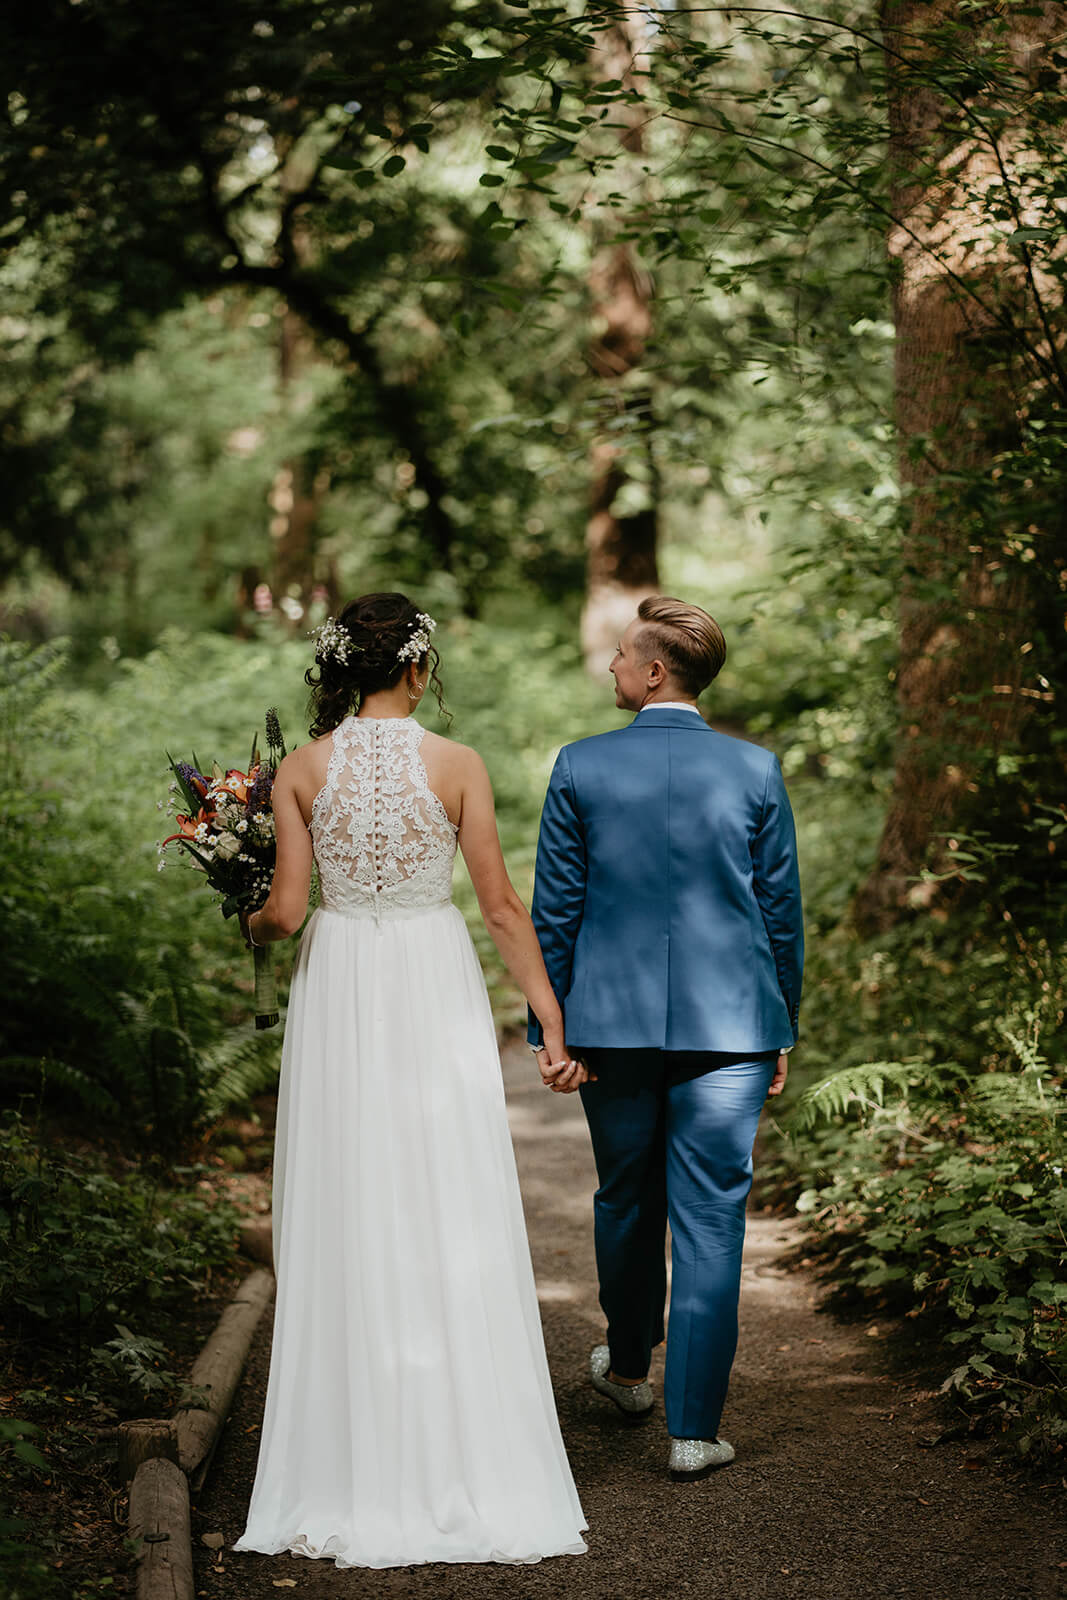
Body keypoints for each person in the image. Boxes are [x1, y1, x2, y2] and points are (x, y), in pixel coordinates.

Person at [233, 593, 588, 1569]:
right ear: (420, 668)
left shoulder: (300, 769)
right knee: (444, 1196)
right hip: (429, 977)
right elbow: (502, 907)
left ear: (339, 670)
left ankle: (346, 1457)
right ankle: (464, 1448)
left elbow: (290, 910)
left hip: (341, 981)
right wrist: (549, 1015)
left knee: (347, 1197)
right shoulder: (456, 764)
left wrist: (244, 910)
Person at [528, 595, 803, 1481]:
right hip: (733, 1028)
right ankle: (693, 1431)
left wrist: (550, 1028)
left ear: (654, 673)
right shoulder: (755, 770)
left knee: (625, 1198)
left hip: (610, 1027)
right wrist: (781, 1024)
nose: (609, 667)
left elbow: (555, 912)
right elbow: (780, 915)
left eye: (618, 656)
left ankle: (630, 1372)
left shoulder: (580, 766)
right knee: (714, 1220)